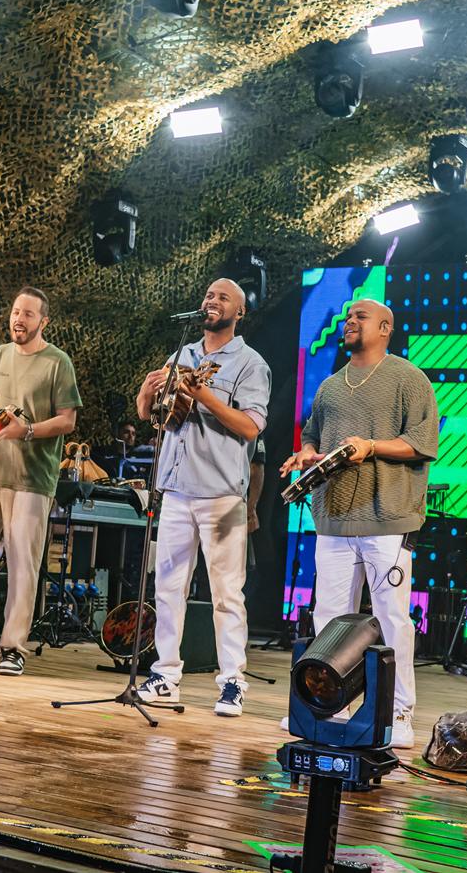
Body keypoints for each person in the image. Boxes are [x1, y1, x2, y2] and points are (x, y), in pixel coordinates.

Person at [280, 299, 438, 749]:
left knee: (392, 618)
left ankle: (398, 712)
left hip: (388, 517)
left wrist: (371, 446)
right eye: (347, 316)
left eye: (360, 317)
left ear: (385, 328)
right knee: (329, 618)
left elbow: (422, 443)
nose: (349, 321)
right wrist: (306, 453)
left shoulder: (409, 378)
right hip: (332, 518)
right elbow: (312, 434)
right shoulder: (331, 385)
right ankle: (331, 705)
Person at [133, 279, 271, 716]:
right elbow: (154, 418)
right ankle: (165, 675)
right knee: (168, 587)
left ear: (239, 312)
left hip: (222, 494)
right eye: (210, 295)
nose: (213, 301)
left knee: (226, 593)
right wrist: (145, 395)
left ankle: (232, 682)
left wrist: (204, 396)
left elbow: (250, 427)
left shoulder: (250, 364)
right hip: (176, 488)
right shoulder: (183, 355)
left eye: (223, 297)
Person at [0, 287, 81, 676]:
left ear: (44, 321)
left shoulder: (58, 362)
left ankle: (13, 646)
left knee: (23, 561)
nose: (18, 319)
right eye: (15, 312)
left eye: (28, 314)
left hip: (32, 478)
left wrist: (27, 431)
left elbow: (68, 420)